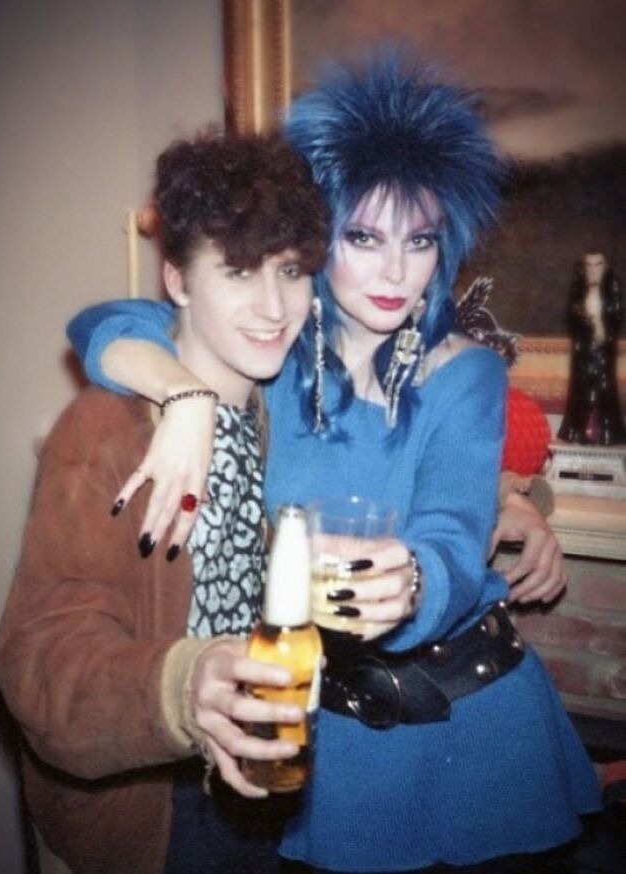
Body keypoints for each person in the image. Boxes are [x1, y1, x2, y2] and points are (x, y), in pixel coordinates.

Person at [67, 51, 598, 872]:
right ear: (319, 237)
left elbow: (454, 535)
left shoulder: (467, 375)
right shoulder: (267, 360)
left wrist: (422, 576)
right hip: (332, 743)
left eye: (419, 240)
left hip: (477, 731)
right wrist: (182, 395)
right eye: (363, 236)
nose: (396, 271)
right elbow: (109, 321)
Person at [0, 130, 331, 874]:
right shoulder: (109, 430)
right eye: (239, 272)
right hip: (156, 817)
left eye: (291, 271)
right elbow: (42, 667)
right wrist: (186, 686)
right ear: (177, 279)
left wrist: (515, 495)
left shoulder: (286, 411)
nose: (275, 306)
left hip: (274, 787)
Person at [558, 251, 626, 444]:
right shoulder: (578, 294)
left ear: (605, 267)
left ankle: (609, 433)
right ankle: (576, 432)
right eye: (589, 265)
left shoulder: (611, 293)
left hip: (604, 351)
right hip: (584, 353)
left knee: (605, 389)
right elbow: (573, 320)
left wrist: (602, 328)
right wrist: (587, 320)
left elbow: (615, 319)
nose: (593, 270)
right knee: (581, 391)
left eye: (598, 265)